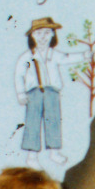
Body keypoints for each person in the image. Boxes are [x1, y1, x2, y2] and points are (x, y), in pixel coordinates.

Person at [14, 18, 70, 167]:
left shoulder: (54, 54)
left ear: (52, 34)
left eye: (46, 32)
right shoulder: (27, 56)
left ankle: (54, 152)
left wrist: (85, 56)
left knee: (53, 120)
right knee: (33, 122)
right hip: (34, 92)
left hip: (52, 91)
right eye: (39, 33)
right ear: (32, 35)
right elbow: (19, 75)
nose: (43, 37)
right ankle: (31, 156)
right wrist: (20, 93)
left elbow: (67, 58)